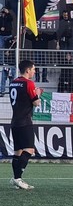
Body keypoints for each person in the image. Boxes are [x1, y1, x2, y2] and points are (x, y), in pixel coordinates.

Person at [9, 60, 41, 190]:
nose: (34, 71)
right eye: (33, 69)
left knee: (18, 152)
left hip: (15, 121)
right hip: (25, 122)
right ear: (27, 70)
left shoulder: (13, 82)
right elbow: (36, 103)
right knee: (30, 150)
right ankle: (17, 178)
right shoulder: (28, 83)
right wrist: (38, 93)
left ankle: (15, 178)